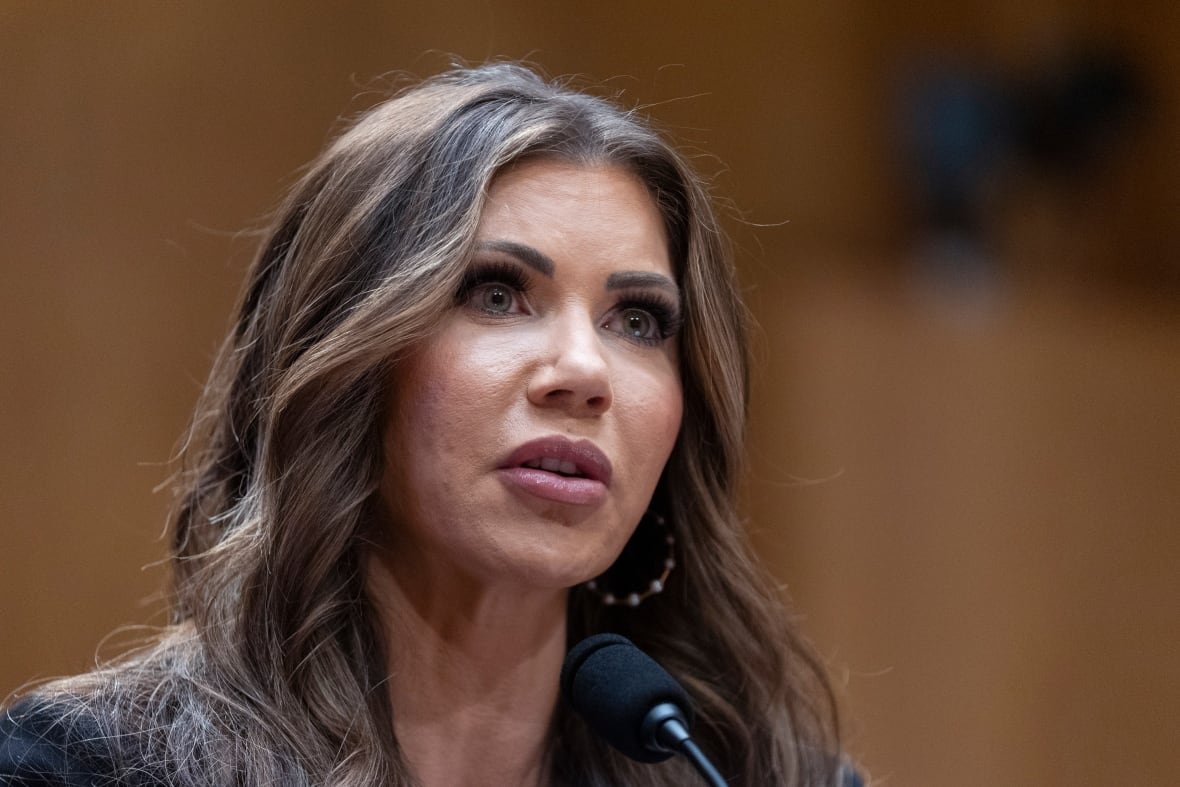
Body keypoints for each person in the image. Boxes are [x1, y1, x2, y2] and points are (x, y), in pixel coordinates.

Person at [0, 63, 860, 786]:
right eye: (496, 295)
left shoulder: (757, 774)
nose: (585, 373)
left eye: (637, 321)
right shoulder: (82, 768)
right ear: (345, 362)